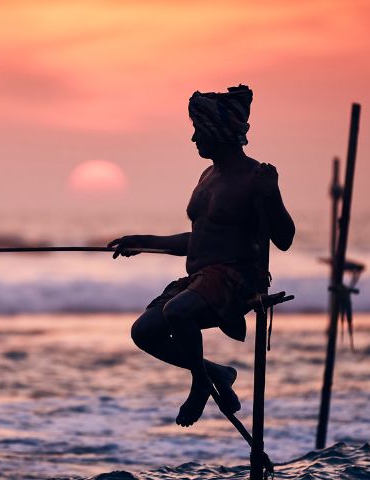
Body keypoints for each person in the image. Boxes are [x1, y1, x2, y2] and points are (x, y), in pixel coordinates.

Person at [109, 85, 294, 427]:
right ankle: (217, 374)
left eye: (199, 130)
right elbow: (200, 240)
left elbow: (285, 238)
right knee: (144, 332)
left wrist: (274, 194)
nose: (194, 138)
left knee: (178, 312)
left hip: (237, 279)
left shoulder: (255, 179)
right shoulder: (207, 176)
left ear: (218, 133)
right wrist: (143, 241)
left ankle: (200, 385)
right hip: (200, 280)